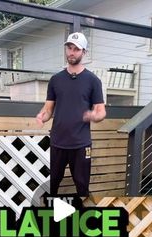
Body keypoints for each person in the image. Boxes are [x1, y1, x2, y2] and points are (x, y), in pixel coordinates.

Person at [36, 32, 106, 197]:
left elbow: (101, 111)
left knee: (82, 187)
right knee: (51, 185)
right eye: (69, 48)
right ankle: (48, 218)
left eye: (76, 49)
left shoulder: (93, 80)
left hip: (81, 145)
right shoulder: (56, 80)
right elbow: (48, 109)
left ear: (84, 53)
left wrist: (94, 116)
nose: (71, 52)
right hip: (57, 142)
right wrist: (42, 116)